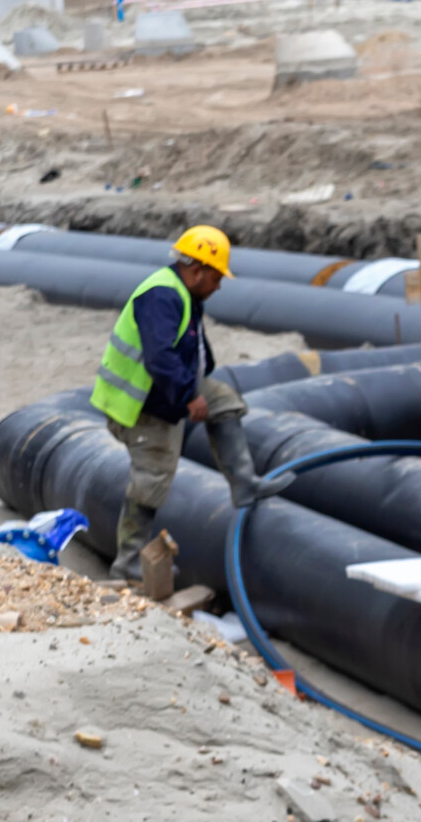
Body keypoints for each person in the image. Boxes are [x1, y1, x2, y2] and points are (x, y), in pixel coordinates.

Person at [89, 223, 286, 582]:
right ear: (198, 270)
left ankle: (243, 483)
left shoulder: (184, 293)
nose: (220, 285)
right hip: (140, 404)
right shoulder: (163, 295)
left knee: (225, 401)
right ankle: (128, 561)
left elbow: (189, 348)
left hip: (163, 390)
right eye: (216, 277)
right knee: (153, 476)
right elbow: (160, 357)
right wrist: (188, 396)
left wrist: (198, 384)